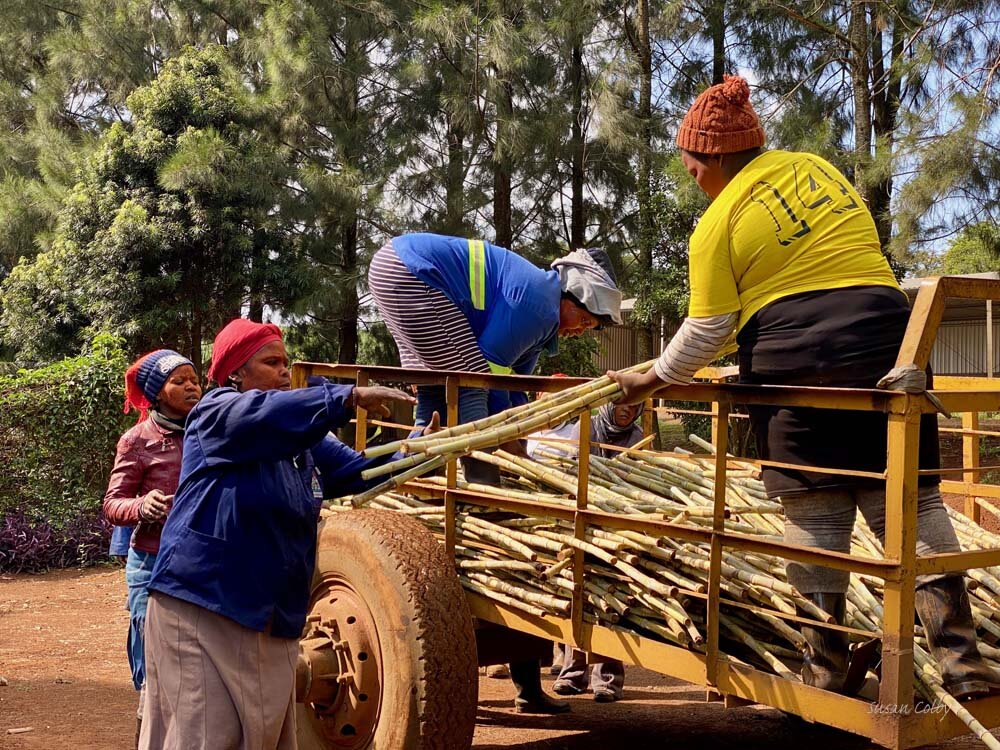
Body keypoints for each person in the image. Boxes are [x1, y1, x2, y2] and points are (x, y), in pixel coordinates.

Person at [608, 75, 998, 700]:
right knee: (911, 504)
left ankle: (824, 669)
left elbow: (708, 330)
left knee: (817, 514)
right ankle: (964, 665)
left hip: (796, 360)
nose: (692, 179)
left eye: (691, 166)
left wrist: (650, 378)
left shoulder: (716, 223)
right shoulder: (817, 170)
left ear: (715, 158)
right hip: (889, 341)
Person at [138, 319, 421, 749]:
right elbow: (264, 415)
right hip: (204, 610)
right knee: (202, 738)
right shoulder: (215, 413)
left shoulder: (300, 442)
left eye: (286, 363)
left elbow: (358, 471)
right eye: (272, 363)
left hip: (270, 618)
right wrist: (347, 397)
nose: (285, 372)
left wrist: (417, 454)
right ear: (235, 373)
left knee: (264, 739)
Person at [102, 349, 202, 747]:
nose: (191, 385)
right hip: (152, 562)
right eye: (178, 381)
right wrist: (142, 505)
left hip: (198, 559)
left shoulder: (208, 428)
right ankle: (147, 734)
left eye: (193, 378)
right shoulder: (137, 440)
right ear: (157, 394)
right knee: (152, 664)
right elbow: (112, 504)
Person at [550, 401, 643, 702]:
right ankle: (572, 674)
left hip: (618, 527)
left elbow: (640, 479)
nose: (628, 410)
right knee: (576, 595)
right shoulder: (586, 427)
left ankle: (607, 681)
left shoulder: (637, 435)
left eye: (635, 406)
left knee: (609, 601)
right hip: (580, 518)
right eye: (623, 405)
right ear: (609, 405)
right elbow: (569, 470)